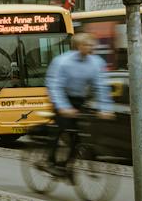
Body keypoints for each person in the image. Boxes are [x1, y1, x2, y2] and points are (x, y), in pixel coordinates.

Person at [44, 33, 112, 169]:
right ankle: (50, 161)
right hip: (62, 97)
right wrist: (63, 107)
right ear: (78, 46)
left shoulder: (96, 62)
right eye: (87, 45)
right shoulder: (62, 61)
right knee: (62, 129)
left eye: (92, 45)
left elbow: (101, 86)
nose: (90, 48)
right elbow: (55, 85)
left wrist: (105, 108)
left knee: (79, 134)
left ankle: (67, 165)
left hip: (80, 99)